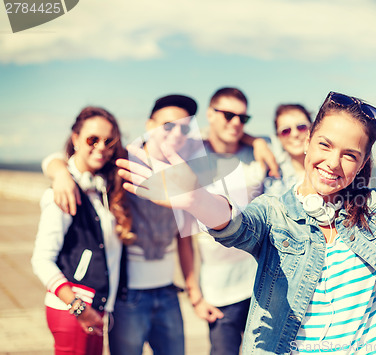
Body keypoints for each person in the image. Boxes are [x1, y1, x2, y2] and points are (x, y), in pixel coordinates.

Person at [117, 23, 376, 355]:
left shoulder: (375, 210)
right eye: (325, 145)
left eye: (350, 155)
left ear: (361, 163)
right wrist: (197, 200)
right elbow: (237, 226)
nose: (333, 162)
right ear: (308, 142)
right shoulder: (275, 213)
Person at [41, 94, 220, 355]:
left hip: (168, 293)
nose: (176, 133)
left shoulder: (185, 169)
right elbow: (69, 155)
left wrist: (195, 294)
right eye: (168, 125)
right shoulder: (122, 162)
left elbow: (184, 237)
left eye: (184, 127)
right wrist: (59, 173)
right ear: (149, 124)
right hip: (127, 297)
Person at [31, 106, 133, 355]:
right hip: (74, 310)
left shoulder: (102, 189)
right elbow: (41, 260)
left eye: (109, 141)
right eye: (92, 139)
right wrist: (78, 307)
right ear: (75, 138)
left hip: (94, 310)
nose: (101, 147)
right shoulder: (63, 192)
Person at [192, 87, 267, 355]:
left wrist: (257, 141)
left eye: (243, 118)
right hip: (218, 292)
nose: (236, 123)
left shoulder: (260, 151)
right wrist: (194, 294)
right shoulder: (192, 158)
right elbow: (184, 234)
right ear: (210, 114)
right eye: (228, 115)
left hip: (263, 282)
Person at [264, 104, 312, 196]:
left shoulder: (328, 167)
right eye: (285, 131)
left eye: (301, 127)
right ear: (278, 137)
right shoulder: (274, 172)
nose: (294, 134)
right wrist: (258, 143)